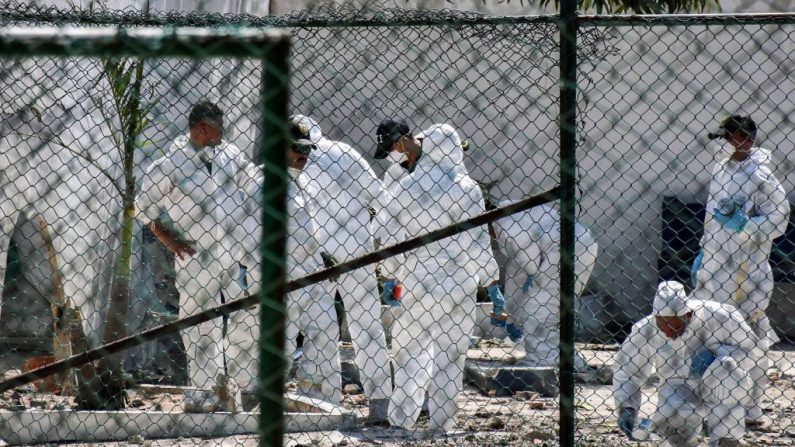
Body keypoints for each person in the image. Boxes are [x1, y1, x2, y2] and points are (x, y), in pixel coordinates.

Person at [374, 119, 501, 432]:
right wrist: (491, 283)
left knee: (410, 352)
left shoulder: (406, 185)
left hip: (416, 278)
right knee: (450, 355)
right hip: (457, 280)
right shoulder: (467, 188)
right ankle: (442, 424)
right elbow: (477, 240)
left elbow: (385, 233)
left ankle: (401, 419)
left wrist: (391, 275)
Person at [136, 100, 255, 411]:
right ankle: (200, 395)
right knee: (201, 325)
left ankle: (236, 391)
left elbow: (253, 183)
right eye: (219, 127)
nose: (224, 133)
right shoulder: (170, 163)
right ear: (203, 128)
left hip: (232, 252)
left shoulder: (229, 154)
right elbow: (143, 207)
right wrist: (168, 239)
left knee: (241, 322)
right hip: (196, 254)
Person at [224, 116, 341, 405]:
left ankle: (319, 403)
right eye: (295, 148)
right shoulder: (262, 184)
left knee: (325, 338)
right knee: (277, 347)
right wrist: (251, 280)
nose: (303, 155)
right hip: (278, 280)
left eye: (307, 149)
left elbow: (307, 231)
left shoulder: (302, 183)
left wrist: (323, 256)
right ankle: (254, 403)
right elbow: (245, 238)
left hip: (311, 278)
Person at [290, 114, 392, 421]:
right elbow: (381, 199)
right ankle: (379, 404)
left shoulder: (296, 163)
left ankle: (319, 398)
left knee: (319, 326)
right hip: (356, 252)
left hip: (318, 256)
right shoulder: (345, 153)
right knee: (367, 328)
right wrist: (372, 236)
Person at [692, 114, 790, 426]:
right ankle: (715, 402)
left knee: (750, 335)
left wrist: (747, 226)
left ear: (743, 139)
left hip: (747, 272)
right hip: (715, 266)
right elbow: (712, 218)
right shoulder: (721, 170)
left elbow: (779, 219)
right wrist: (704, 252)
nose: (721, 144)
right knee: (709, 333)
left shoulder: (761, 175)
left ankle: (750, 407)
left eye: (727, 137)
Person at [614, 280, 761, 447]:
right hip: (678, 386)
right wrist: (627, 406)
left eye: (675, 329)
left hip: (720, 382)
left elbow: (754, 351)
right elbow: (627, 370)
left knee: (726, 369)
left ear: (688, 315)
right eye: (663, 328)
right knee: (676, 432)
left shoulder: (721, 315)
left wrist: (716, 354)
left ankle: (724, 439)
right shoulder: (646, 328)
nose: (668, 334)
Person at [490, 201, 599, 375]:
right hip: (581, 243)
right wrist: (509, 315)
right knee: (556, 308)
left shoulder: (504, 221)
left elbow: (529, 261)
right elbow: (517, 272)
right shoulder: (515, 212)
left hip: (564, 247)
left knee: (540, 307)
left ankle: (542, 363)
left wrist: (513, 312)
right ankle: (568, 360)